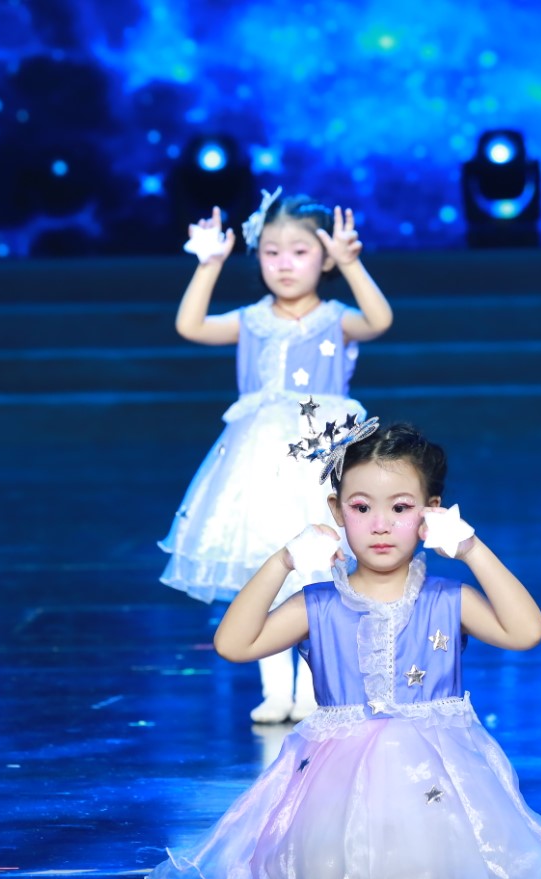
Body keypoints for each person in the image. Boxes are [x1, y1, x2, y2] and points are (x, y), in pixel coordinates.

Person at [146, 422, 541, 879]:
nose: (381, 525)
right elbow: (234, 644)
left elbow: (526, 631)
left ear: (431, 511)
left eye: (401, 508)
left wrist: (472, 549)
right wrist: (282, 562)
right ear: (336, 512)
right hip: (337, 785)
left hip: (434, 784)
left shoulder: (447, 599)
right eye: (362, 508)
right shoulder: (318, 604)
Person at [159, 190, 393, 722]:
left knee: (321, 570)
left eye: (300, 252)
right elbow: (190, 326)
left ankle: (314, 688)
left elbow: (379, 320)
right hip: (258, 463)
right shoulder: (251, 320)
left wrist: (352, 264)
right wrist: (208, 265)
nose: (284, 264)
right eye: (271, 252)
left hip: (321, 454)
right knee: (266, 566)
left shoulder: (335, 318)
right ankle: (275, 690)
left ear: (324, 258)